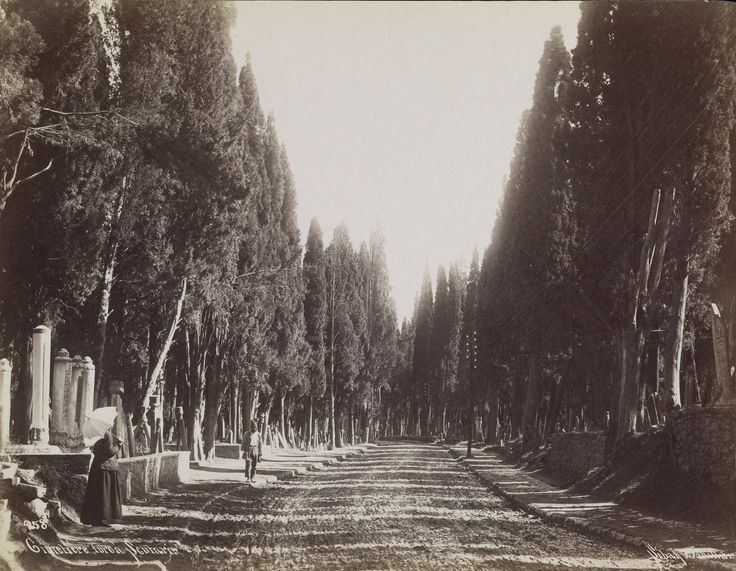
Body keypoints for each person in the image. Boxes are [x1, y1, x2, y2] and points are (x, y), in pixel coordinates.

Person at [81, 429, 123, 526]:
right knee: (105, 493)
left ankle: (95, 519)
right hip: (106, 468)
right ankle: (104, 519)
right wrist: (119, 445)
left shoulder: (96, 436)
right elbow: (110, 451)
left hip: (97, 467)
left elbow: (94, 450)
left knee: (97, 493)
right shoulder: (108, 434)